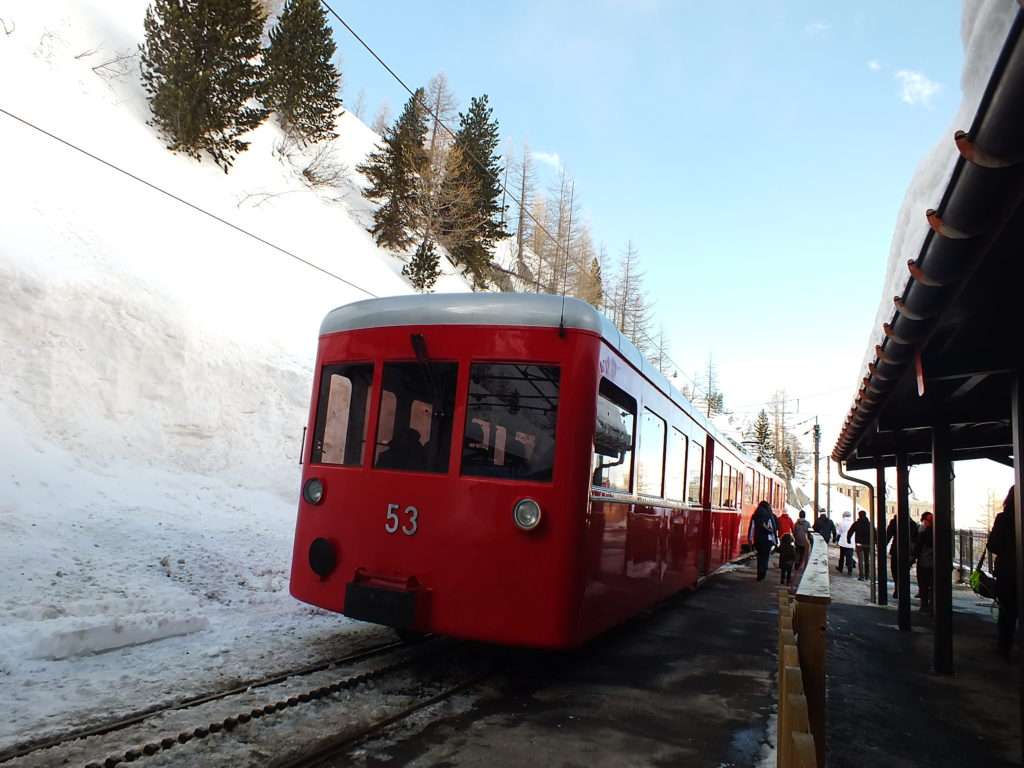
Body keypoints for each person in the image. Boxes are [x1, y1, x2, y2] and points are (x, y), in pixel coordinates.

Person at [987, 487, 1017, 659]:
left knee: (1007, 612)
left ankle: (1004, 648)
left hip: (1007, 572)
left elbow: (993, 545)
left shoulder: (1004, 518)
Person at [885, 512, 920, 599]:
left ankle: (898, 588)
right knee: (904, 571)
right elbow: (916, 539)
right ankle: (902, 589)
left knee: (895, 570)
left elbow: (888, 535)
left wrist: (883, 544)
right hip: (908, 552)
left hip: (896, 550)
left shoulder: (894, 522)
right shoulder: (913, 524)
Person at [748, 500, 779, 582]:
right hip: (767, 540)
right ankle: (763, 573)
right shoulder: (769, 515)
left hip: (758, 540)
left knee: (760, 556)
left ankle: (759, 574)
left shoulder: (755, 515)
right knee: (765, 557)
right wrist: (775, 542)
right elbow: (773, 529)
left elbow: (752, 529)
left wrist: (750, 540)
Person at [913, 511, 935, 613]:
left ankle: (924, 604)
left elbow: (918, 548)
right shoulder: (939, 534)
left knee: (923, 584)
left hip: (923, 563)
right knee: (933, 584)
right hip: (934, 564)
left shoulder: (923, 534)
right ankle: (932, 604)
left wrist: (912, 558)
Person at [847, 509, 872, 581]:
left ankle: (861, 576)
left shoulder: (856, 523)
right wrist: (875, 542)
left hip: (859, 544)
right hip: (868, 544)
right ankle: (867, 575)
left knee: (860, 560)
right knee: (867, 560)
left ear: (859, 515)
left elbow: (850, 531)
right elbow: (874, 532)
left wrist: (848, 539)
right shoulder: (869, 524)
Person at [836, 510, 855, 576]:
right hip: (850, 542)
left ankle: (840, 568)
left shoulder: (841, 522)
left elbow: (839, 532)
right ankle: (850, 571)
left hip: (843, 542)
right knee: (849, 557)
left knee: (842, 556)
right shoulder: (853, 522)